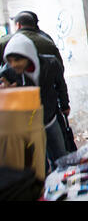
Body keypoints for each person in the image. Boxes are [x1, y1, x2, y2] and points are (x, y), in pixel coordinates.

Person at [0, 33, 70, 172]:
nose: (14, 64)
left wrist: (65, 104)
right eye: (10, 60)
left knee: (61, 159)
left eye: (17, 60)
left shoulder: (50, 64)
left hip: (50, 118)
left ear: (29, 55)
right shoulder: (8, 73)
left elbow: (60, 84)